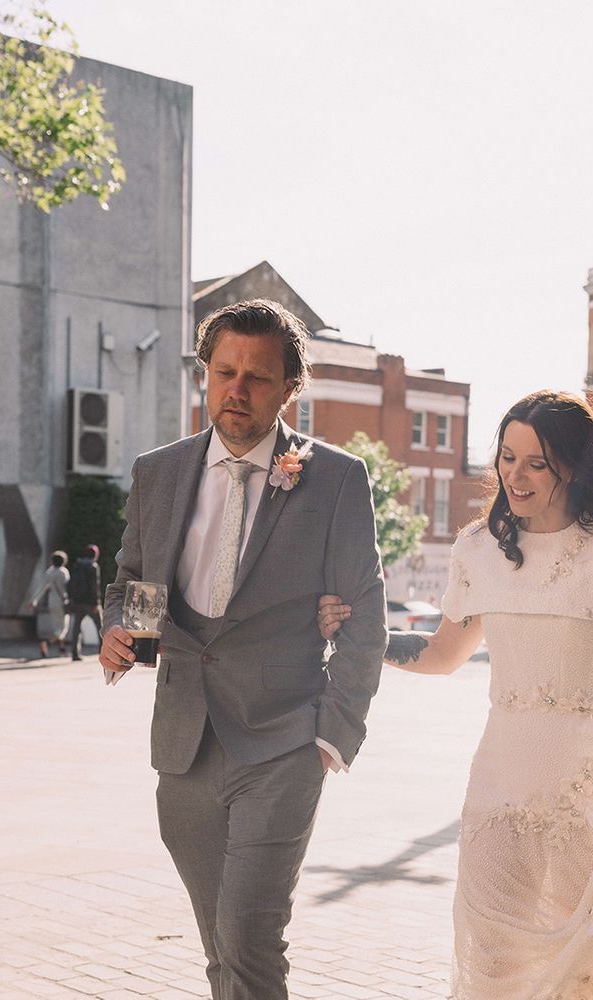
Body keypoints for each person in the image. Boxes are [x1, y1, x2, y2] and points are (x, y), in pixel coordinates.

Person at [319, 390, 593, 1000]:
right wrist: (363, 634)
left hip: (590, 778)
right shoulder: (479, 547)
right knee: (491, 952)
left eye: (536, 462)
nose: (515, 474)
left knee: (587, 952)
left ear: (574, 466)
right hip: (501, 776)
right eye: (507, 458)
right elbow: (441, 653)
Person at [99, 299, 386, 1000]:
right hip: (185, 745)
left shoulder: (336, 478)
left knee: (252, 942)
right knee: (221, 951)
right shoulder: (157, 472)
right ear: (205, 374)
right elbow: (131, 584)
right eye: (224, 371)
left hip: (284, 743)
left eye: (257, 377)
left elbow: (366, 614)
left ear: (290, 387)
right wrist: (119, 632)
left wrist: (334, 733)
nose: (237, 389)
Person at [28, 550, 70, 658]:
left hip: (52, 603)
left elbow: (41, 588)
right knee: (63, 628)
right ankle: (46, 642)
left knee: (57, 626)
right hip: (62, 603)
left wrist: (34, 600)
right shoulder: (64, 572)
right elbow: (68, 588)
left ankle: (62, 649)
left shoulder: (49, 572)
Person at [66, 544, 103, 661]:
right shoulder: (93, 566)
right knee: (101, 627)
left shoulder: (78, 565)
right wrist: (97, 603)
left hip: (78, 602)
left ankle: (75, 653)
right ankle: (103, 652)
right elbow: (94, 587)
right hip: (90, 603)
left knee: (77, 628)